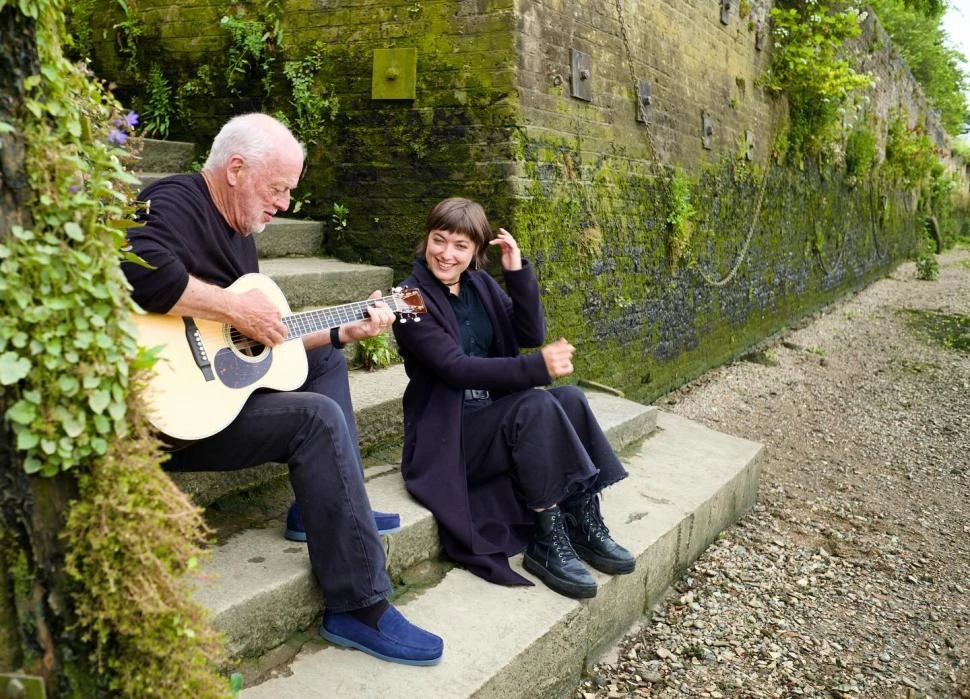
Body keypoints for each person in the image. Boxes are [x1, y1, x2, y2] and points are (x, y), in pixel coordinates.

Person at [122, 113, 443, 666]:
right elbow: (140, 272)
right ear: (236, 169)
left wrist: (347, 328)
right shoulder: (173, 200)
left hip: (214, 398)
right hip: (169, 418)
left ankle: (316, 508)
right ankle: (359, 605)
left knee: (326, 363)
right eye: (279, 188)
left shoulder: (240, 235)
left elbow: (270, 339)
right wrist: (231, 306)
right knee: (315, 418)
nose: (287, 203)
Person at [392, 197, 635, 599]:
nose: (446, 254)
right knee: (535, 403)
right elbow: (454, 367)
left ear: (475, 253)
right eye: (439, 240)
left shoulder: (481, 285)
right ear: (427, 239)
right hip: (448, 435)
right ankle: (546, 537)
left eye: (460, 246)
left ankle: (583, 518)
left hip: (492, 417)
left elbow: (530, 334)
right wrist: (536, 368)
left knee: (571, 398)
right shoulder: (409, 297)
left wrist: (517, 273)